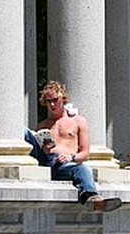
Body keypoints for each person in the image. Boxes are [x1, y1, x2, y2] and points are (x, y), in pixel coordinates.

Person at [25, 81, 121, 212]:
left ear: (63, 99)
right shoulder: (43, 125)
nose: (52, 104)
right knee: (24, 131)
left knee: (84, 170)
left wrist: (70, 157)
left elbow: (85, 154)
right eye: (48, 101)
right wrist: (45, 149)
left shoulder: (78, 121)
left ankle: (92, 199)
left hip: (63, 165)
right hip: (44, 161)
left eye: (55, 100)